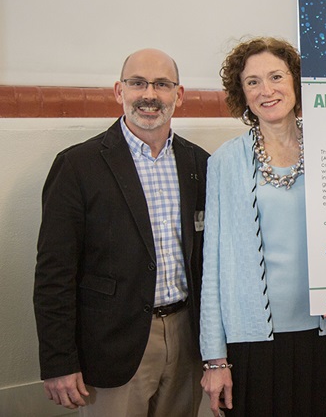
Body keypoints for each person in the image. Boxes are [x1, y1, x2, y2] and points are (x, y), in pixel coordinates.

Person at [33, 49, 209, 416]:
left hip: (187, 339)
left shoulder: (200, 163)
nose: (150, 94)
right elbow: (54, 273)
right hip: (113, 347)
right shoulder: (78, 166)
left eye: (162, 84)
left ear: (179, 95)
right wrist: (58, 360)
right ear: (119, 91)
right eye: (137, 83)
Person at [199, 37, 326, 416]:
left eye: (276, 77)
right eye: (252, 81)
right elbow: (213, 267)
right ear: (242, 93)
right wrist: (214, 359)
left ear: (296, 82)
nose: (266, 90)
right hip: (250, 343)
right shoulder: (225, 162)